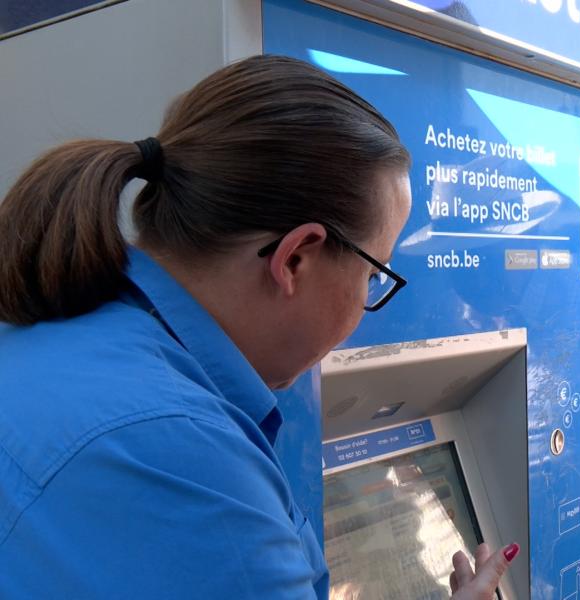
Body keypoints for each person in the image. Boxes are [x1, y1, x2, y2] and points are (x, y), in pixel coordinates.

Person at [0, 55, 515, 599]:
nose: (366, 303)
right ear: (295, 258)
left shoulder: (53, 339)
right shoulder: (188, 461)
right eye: (372, 273)